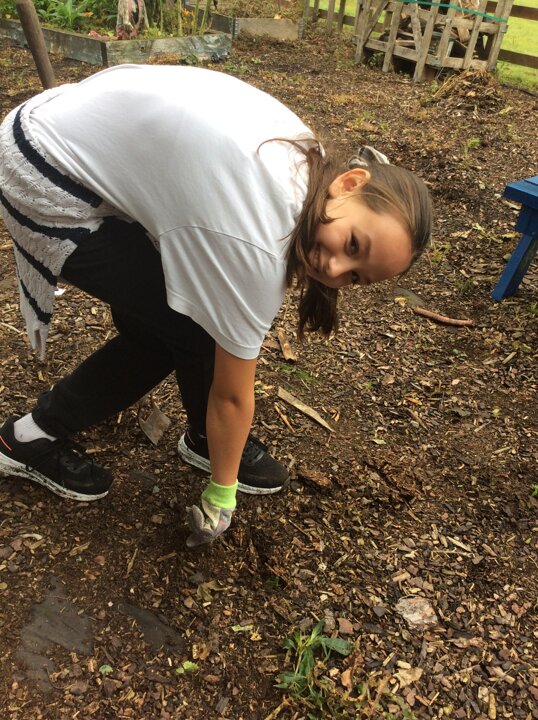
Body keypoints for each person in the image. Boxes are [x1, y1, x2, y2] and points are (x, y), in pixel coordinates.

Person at [0, 64, 432, 547]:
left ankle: (206, 439)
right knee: (182, 332)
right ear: (351, 183)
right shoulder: (259, 244)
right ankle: (30, 438)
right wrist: (222, 494)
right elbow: (231, 396)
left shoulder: (304, 156)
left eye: (354, 276)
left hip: (63, 122)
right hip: (41, 174)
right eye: (353, 244)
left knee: (175, 321)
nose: (334, 269)